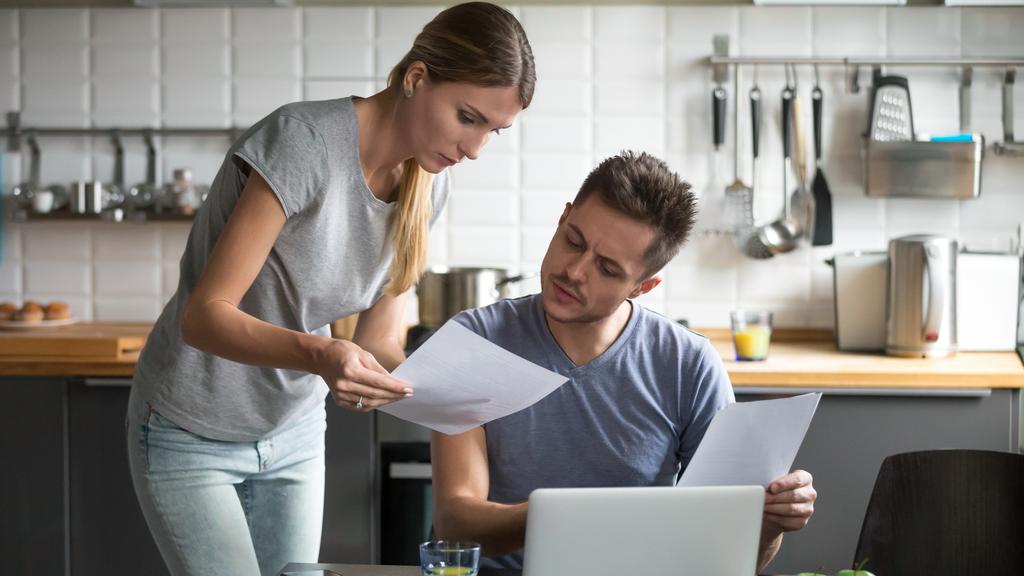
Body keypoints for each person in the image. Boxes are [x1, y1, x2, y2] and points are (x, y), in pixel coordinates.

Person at [125, 4, 535, 575]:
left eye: (493, 130)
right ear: (416, 78)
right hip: (192, 426)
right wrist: (323, 354)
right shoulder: (303, 142)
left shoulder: (428, 189)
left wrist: (462, 390)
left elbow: (381, 341)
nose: (474, 149)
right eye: (468, 117)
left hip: (292, 429)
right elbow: (204, 316)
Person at [431, 151, 816, 574]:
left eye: (608, 269)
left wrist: (769, 521)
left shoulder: (689, 364)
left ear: (643, 286)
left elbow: (732, 557)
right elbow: (456, 523)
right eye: (573, 241)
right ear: (562, 219)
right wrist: (579, 517)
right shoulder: (476, 340)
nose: (574, 271)